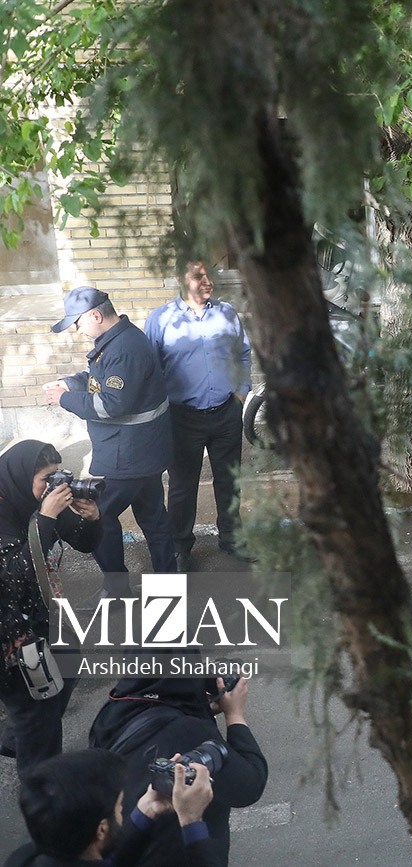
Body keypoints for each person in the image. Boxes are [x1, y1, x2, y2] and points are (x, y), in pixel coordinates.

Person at [45, 286, 177, 594]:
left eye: (78, 323)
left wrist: (65, 399)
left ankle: (117, 590)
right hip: (143, 452)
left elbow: (112, 404)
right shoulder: (118, 340)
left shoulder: (124, 349)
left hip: (128, 456)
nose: (77, 331)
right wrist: (70, 382)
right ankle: (168, 583)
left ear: (95, 315)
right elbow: (99, 379)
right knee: (154, 519)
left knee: (96, 515)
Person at [87, 674, 268, 867]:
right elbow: (249, 786)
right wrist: (234, 715)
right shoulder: (191, 730)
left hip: (127, 846)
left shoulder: (111, 712)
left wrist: (200, 707)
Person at [0, 441, 101, 777]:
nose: (53, 486)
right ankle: (41, 786)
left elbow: (84, 542)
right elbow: (13, 576)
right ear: (20, 478)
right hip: (8, 628)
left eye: (57, 475)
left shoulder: (36, 501)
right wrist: (45, 518)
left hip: (38, 611)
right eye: (47, 479)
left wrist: (92, 518)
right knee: (38, 705)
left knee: (68, 660)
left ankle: (19, 736)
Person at [144, 261, 253, 570]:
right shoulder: (161, 319)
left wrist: (241, 393)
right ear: (182, 280)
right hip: (182, 418)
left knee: (229, 481)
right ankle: (180, 547)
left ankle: (232, 539)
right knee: (182, 486)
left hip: (226, 413)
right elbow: (150, 368)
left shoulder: (226, 313)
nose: (208, 282)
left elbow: (242, 354)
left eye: (210, 276)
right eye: (198, 276)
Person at [5, 748, 219, 867]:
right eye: (119, 806)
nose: (122, 809)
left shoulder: (23, 858)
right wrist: (192, 820)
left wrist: (148, 810)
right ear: (101, 829)